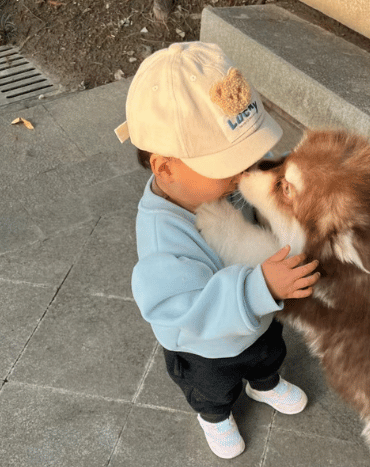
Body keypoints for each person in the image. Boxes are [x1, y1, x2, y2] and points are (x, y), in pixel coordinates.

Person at [115, 42, 320, 460]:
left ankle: (263, 384)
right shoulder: (161, 238)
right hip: (204, 347)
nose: (242, 173)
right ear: (165, 168)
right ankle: (215, 417)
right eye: (228, 165)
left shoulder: (214, 188)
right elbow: (185, 308)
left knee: (268, 354)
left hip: (257, 323)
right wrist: (258, 287)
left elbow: (253, 222)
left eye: (245, 157)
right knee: (213, 388)